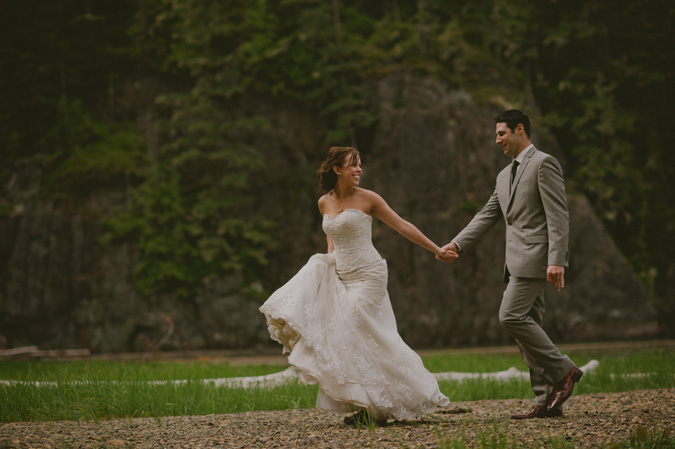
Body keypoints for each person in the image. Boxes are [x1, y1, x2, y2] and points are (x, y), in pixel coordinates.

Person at [260, 146, 455, 425]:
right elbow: (332, 240)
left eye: (360, 164)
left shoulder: (369, 199)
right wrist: (327, 264)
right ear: (337, 169)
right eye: (353, 165)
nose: (359, 169)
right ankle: (371, 407)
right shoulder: (323, 203)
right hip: (342, 275)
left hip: (369, 274)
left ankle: (395, 397)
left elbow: (402, 226)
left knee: (353, 323)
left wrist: (436, 249)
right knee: (349, 337)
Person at [438, 110, 582, 419]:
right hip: (514, 262)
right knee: (528, 328)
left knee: (510, 316)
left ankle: (565, 371)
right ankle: (544, 400)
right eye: (495, 134)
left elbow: (558, 216)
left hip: (537, 259)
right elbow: (488, 214)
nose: (497, 140)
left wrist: (557, 260)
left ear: (520, 129)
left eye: (501, 133)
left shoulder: (544, 163)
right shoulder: (504, 176)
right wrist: (457, 244)